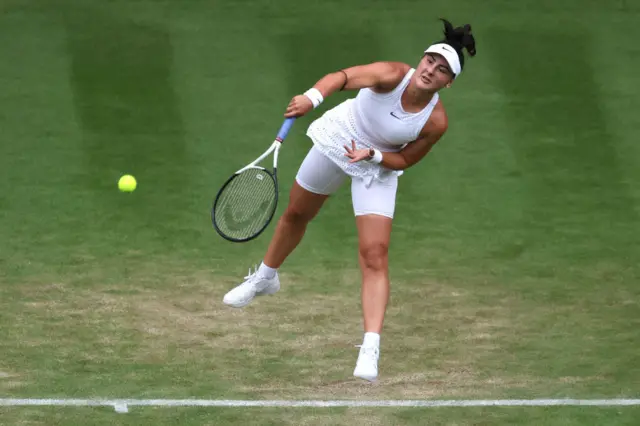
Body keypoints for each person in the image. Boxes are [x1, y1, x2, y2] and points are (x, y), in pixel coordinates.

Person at [222, 19, 477, 382]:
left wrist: (373, 155)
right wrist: (313, 97)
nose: (431, 70)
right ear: (421, 61)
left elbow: (403, 160)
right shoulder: (391, 74)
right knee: (297, 212)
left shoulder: (435, 121)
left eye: (441, 70)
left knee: (375, 254)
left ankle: (371, 346)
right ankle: (265, 278)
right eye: (430, 61)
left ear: (448, 82)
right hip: (342, 136)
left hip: (376, 163)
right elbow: (343, 77)